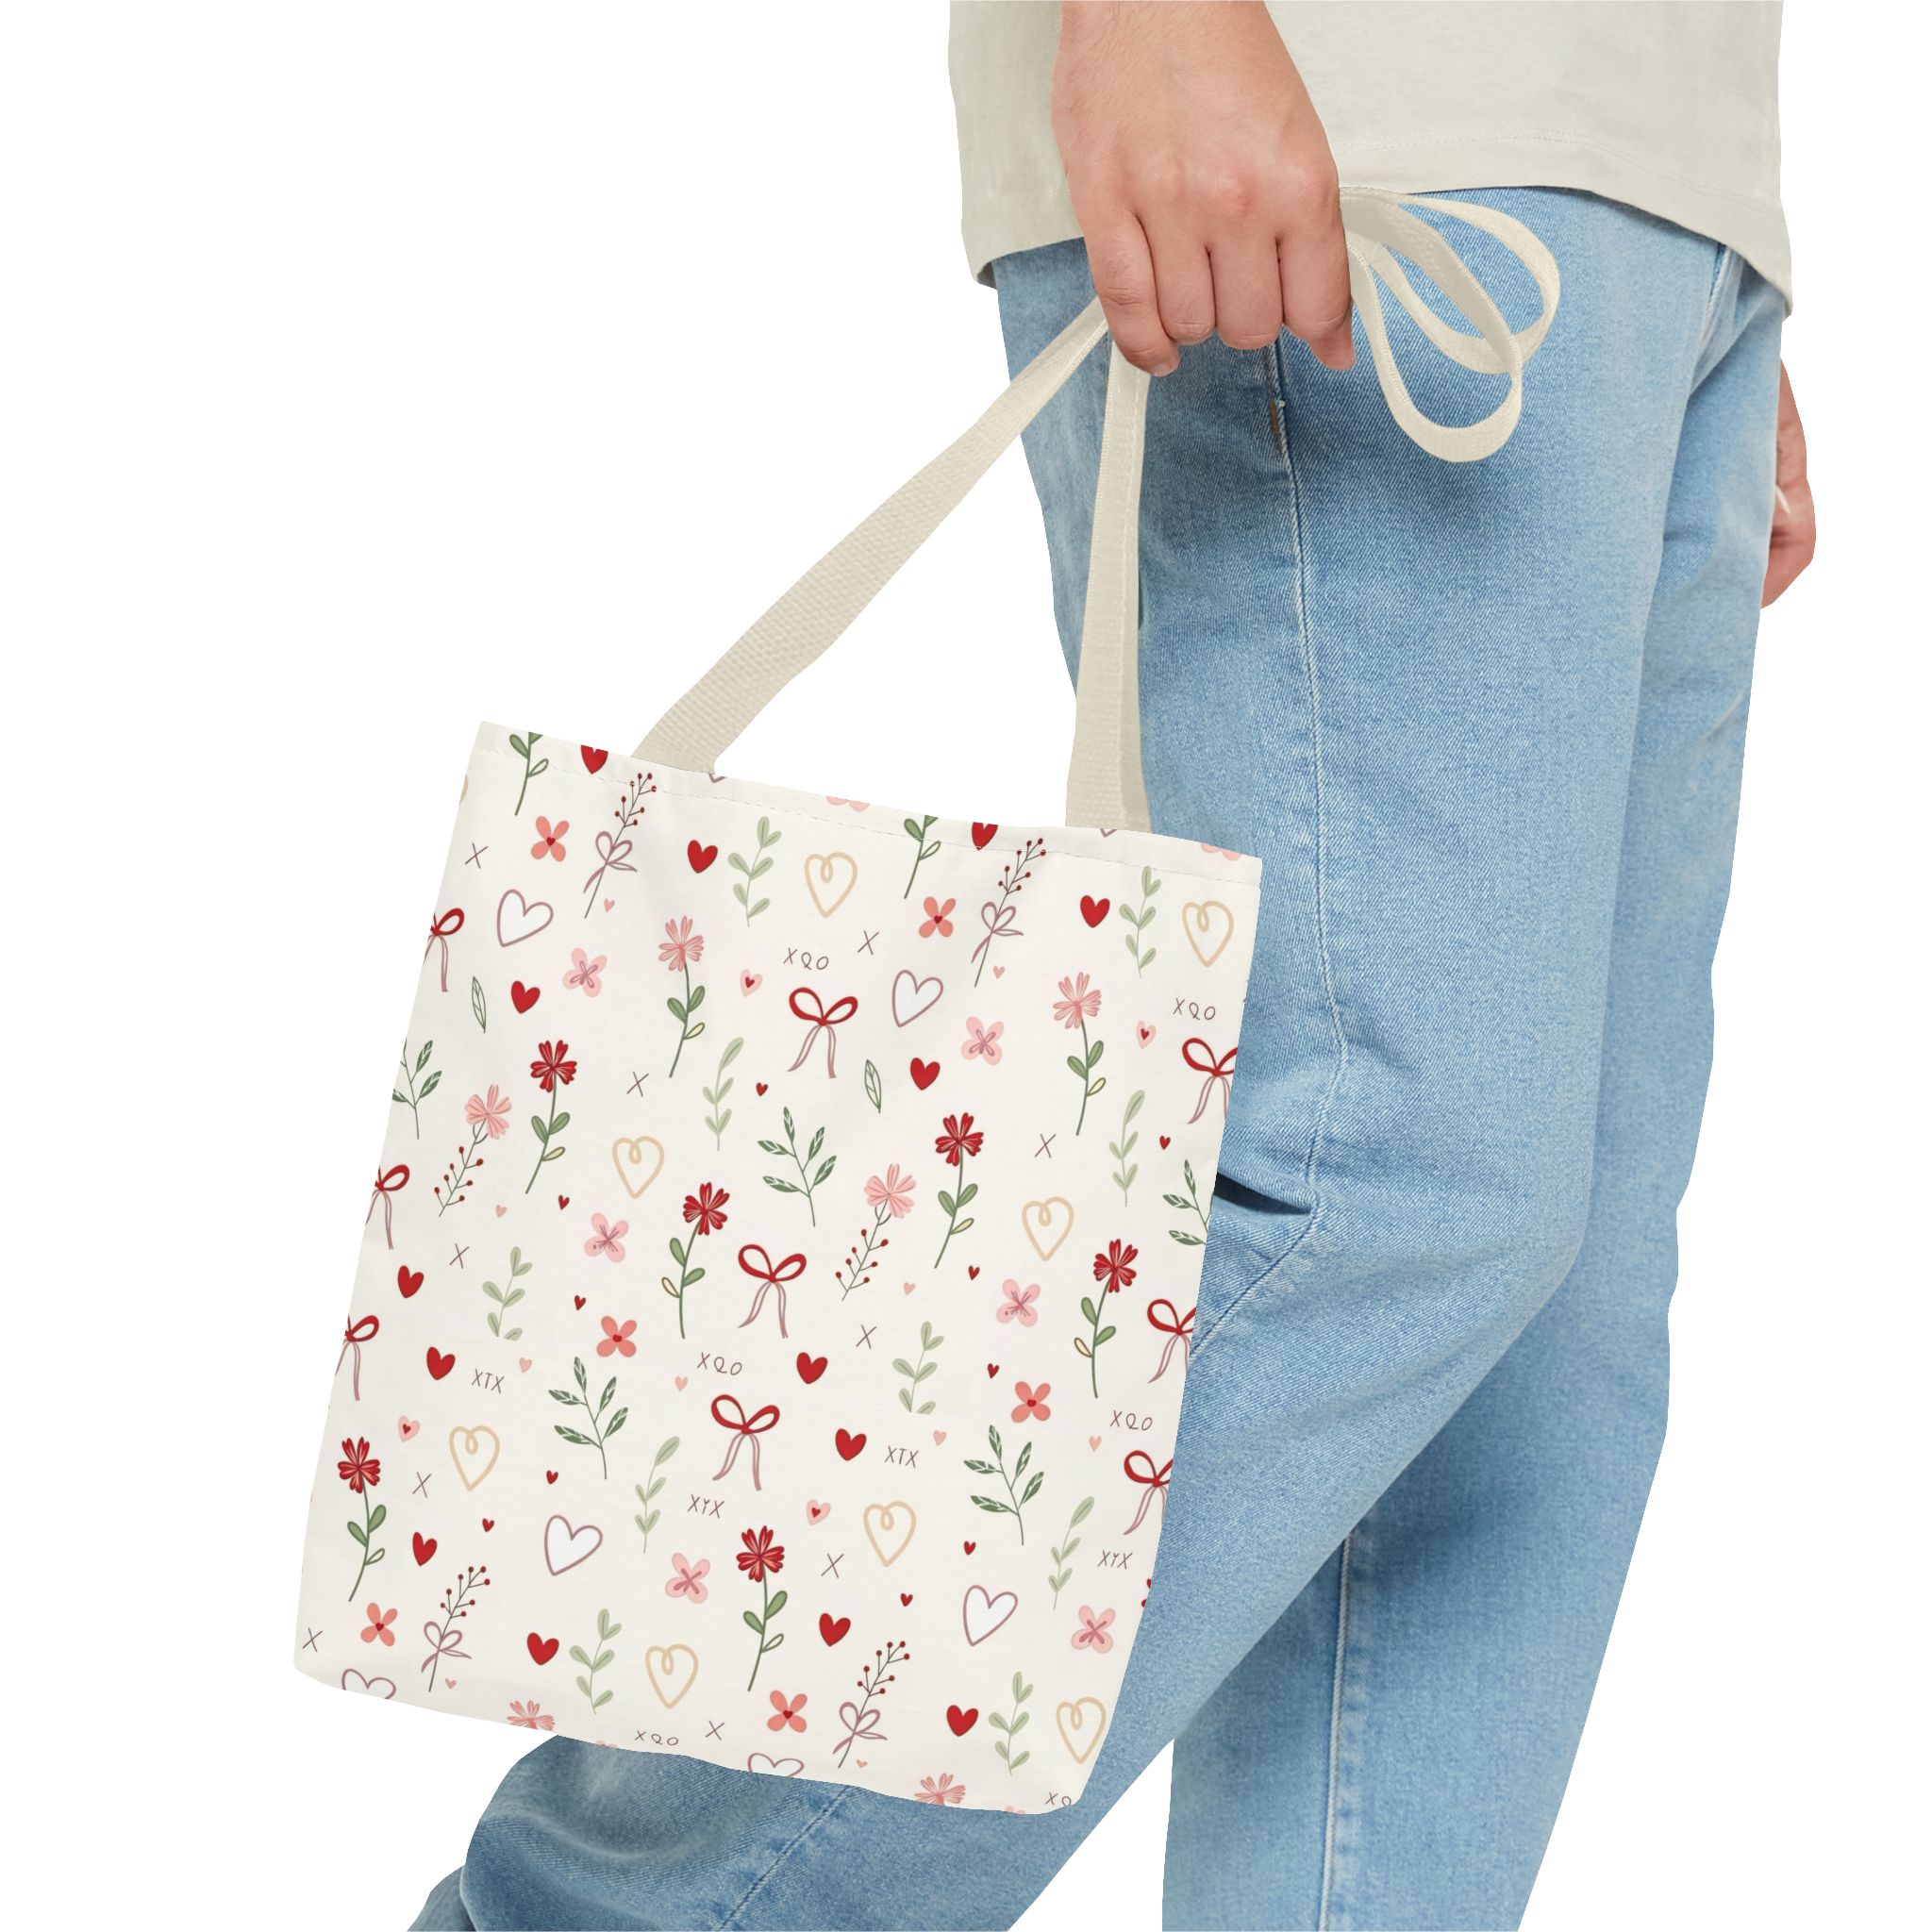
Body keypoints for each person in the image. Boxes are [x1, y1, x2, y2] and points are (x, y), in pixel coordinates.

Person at [413, 5, 1814, 1926]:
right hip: (1367, 117)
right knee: (1375, 1190)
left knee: (1531, 1356)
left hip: (1642, 185)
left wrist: (1695, 233)